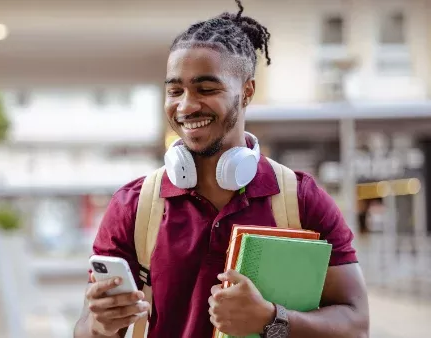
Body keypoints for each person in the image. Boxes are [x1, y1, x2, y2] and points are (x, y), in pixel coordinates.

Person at [73, 1, 369, 337]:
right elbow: (85, 328)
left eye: (206, 89)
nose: (185, 105)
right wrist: (100, 325)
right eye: (175, 90)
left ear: (247, 92)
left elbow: (356, 326)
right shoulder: (133, 205)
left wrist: (273, 320)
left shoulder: (300, 199)